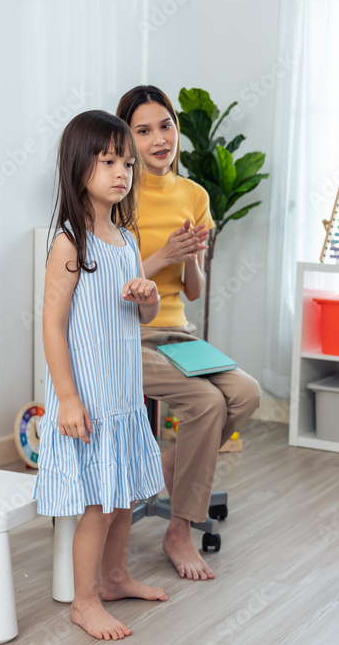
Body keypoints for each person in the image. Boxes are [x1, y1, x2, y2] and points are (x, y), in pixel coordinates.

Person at [116, 85, 261, 581]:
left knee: (245, 393)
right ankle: (180, 528)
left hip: (177, 331)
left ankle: (173, 466)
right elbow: (111, 286)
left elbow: (193, 291)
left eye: (166, 126)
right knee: (206, 404)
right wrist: (162, 256)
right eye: (144, 130)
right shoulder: (117, 194)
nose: (160, 139)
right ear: (126, 139)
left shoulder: (194, 194)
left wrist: (192, 257)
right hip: (128, 335)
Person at [35, 110, 167, 640]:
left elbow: (144, 314)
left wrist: (149, 296)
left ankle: (114, 579)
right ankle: (83, 601)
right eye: (109, 160)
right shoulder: (72, 241)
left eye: (127, 164)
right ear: (79, 166)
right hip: (87, 399)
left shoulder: (127, 240)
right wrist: (66, 397)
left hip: (122, 398)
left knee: (121, 497)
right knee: (97, 505)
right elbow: (51, 322)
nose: (122, 173)